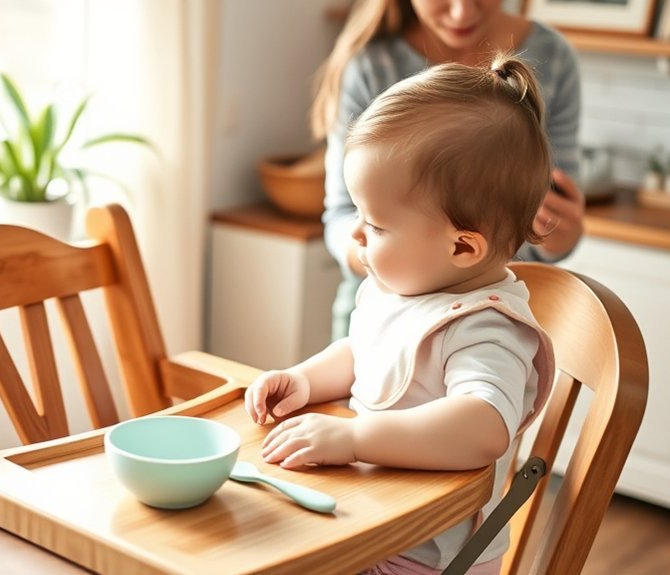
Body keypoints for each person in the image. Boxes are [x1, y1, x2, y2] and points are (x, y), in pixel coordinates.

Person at [244, 54, 557, 574]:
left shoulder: (486, 326)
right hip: (374, 518)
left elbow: (484, 425)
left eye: (378, 226)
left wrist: (353, 438)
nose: (357, 235)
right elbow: (362, 353)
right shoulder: (402, 288)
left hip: (427, 557)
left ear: (462, 248)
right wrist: (303, 380)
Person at [314, 0, 586, 340]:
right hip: (382, 309)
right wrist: (383, 257)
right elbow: (340, 217)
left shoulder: (554, 58)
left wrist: (559, 235)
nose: (462, 12)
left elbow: (544, 223)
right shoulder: (371, 64)